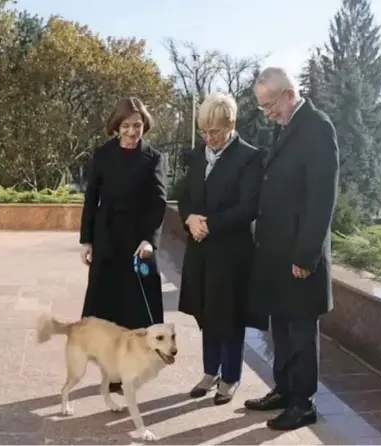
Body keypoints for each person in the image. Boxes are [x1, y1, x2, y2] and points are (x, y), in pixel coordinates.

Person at [244, 68, 339, 430]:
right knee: (280, 327)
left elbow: (322, 197)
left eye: (270, 105)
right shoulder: (287, 126)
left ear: (288, 94)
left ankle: (303, 402)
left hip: (299, 255)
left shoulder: (317, 127)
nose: (268, 113)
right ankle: (283, 390)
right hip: (276, 253)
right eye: (263, 107)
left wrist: (306, 255)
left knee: (300, 330)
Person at [177, 92, 267, 405]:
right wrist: (189, 218)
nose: (209, 138)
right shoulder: (198, 155)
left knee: (229, 317)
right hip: (200, 249)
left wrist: (209, 225)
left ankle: (230, 377)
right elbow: (184, 195)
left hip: (230, 253)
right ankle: (209, 371)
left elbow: (249, 207)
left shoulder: (249, 157)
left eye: (215, 131)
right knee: (206, 311)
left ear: (231, 125)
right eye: (205, 131)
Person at [79, 97, 167, 392]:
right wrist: (87, 240)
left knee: (136, 309)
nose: (132, 132)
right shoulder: (103, 155)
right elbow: (91, 199)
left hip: (137, 243)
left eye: (138, 126)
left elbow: (158, 204)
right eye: (126, 126)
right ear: (116, 127)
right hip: (107, 240)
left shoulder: (153, 158)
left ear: (145, 126)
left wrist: (150, 241)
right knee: (107, 308)